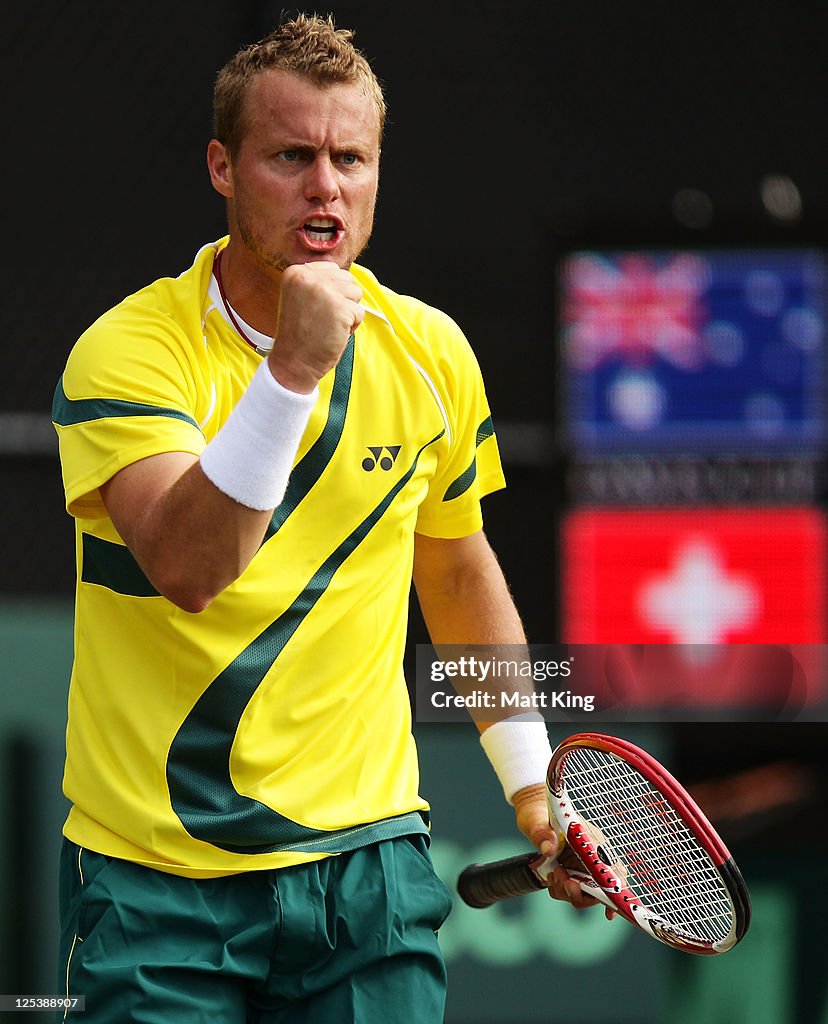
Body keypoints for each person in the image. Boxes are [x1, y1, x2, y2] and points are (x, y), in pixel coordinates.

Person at [52, 14, 595, 1023]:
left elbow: (460, 578)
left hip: (368, 871)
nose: (326, 187)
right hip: (157, 876)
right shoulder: (126, 353)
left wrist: (533, 786)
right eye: (291, 156)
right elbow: (189, 564)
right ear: (222, 167)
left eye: (352, 158)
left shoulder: (432, 352)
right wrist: (293, 367)